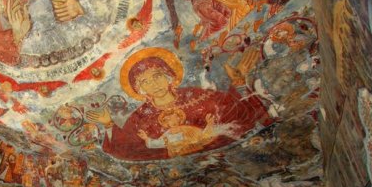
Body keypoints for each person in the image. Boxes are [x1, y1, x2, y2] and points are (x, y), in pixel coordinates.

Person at [87, 47, 268, 161]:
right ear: (139, 89)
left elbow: (237, 112)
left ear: (169, 77)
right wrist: (109, 124)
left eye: (157, 77)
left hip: (226, 152)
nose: (154, 84)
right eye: (145, 82)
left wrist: (239, 83)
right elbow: (125, 148)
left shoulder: (195, 95)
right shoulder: (139, 117)